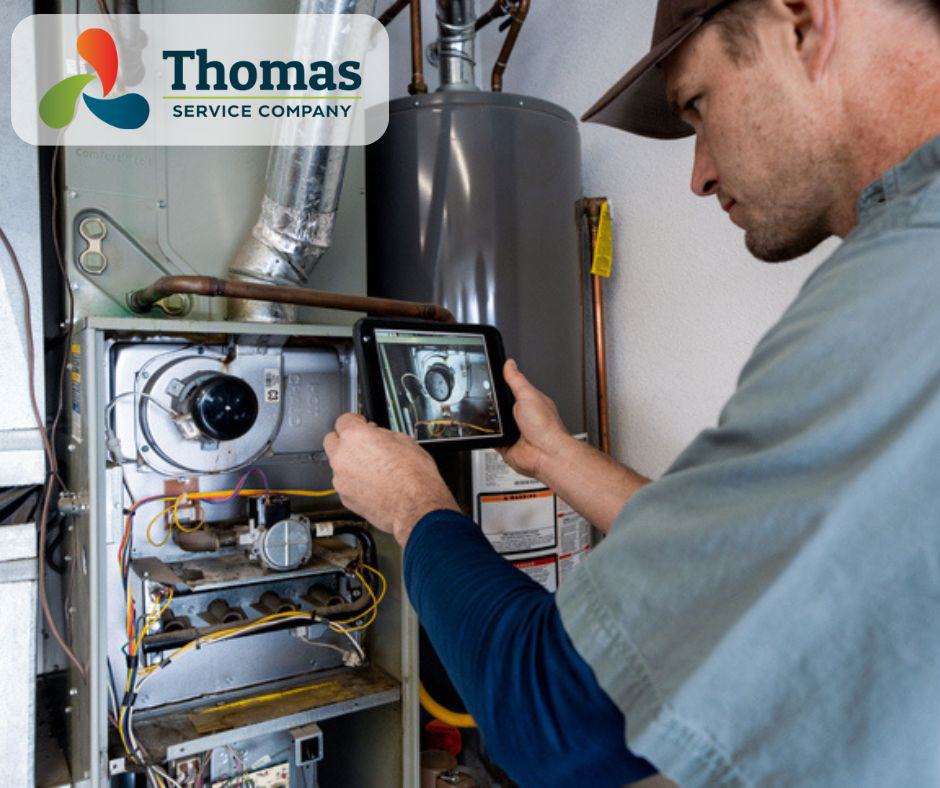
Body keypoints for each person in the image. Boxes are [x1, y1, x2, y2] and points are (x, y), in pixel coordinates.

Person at [324, 0, 940, 784]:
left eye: (697, 106)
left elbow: (554, 718)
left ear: (802, 21)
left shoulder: (897, 291)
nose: (699, 173)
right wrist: (553, 456)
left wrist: (413, 504)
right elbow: (727, 562)